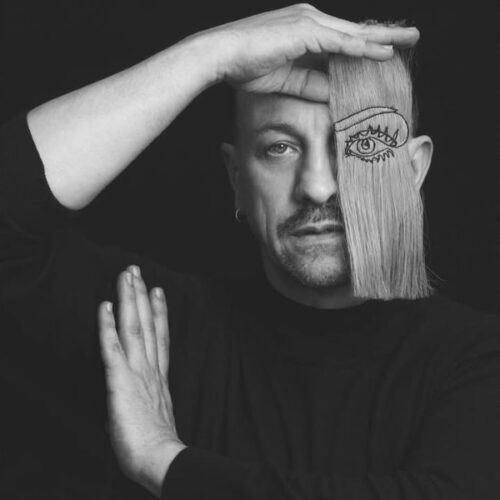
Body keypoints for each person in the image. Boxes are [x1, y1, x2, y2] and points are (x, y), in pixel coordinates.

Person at [1, 4, 499, 500]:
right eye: (279, 148)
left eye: (358, 145)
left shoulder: (476, 357)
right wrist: (207, 55)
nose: (318, 187)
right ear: (236, 177)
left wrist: (162, 461)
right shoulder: (151, 331)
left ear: (412, 170)